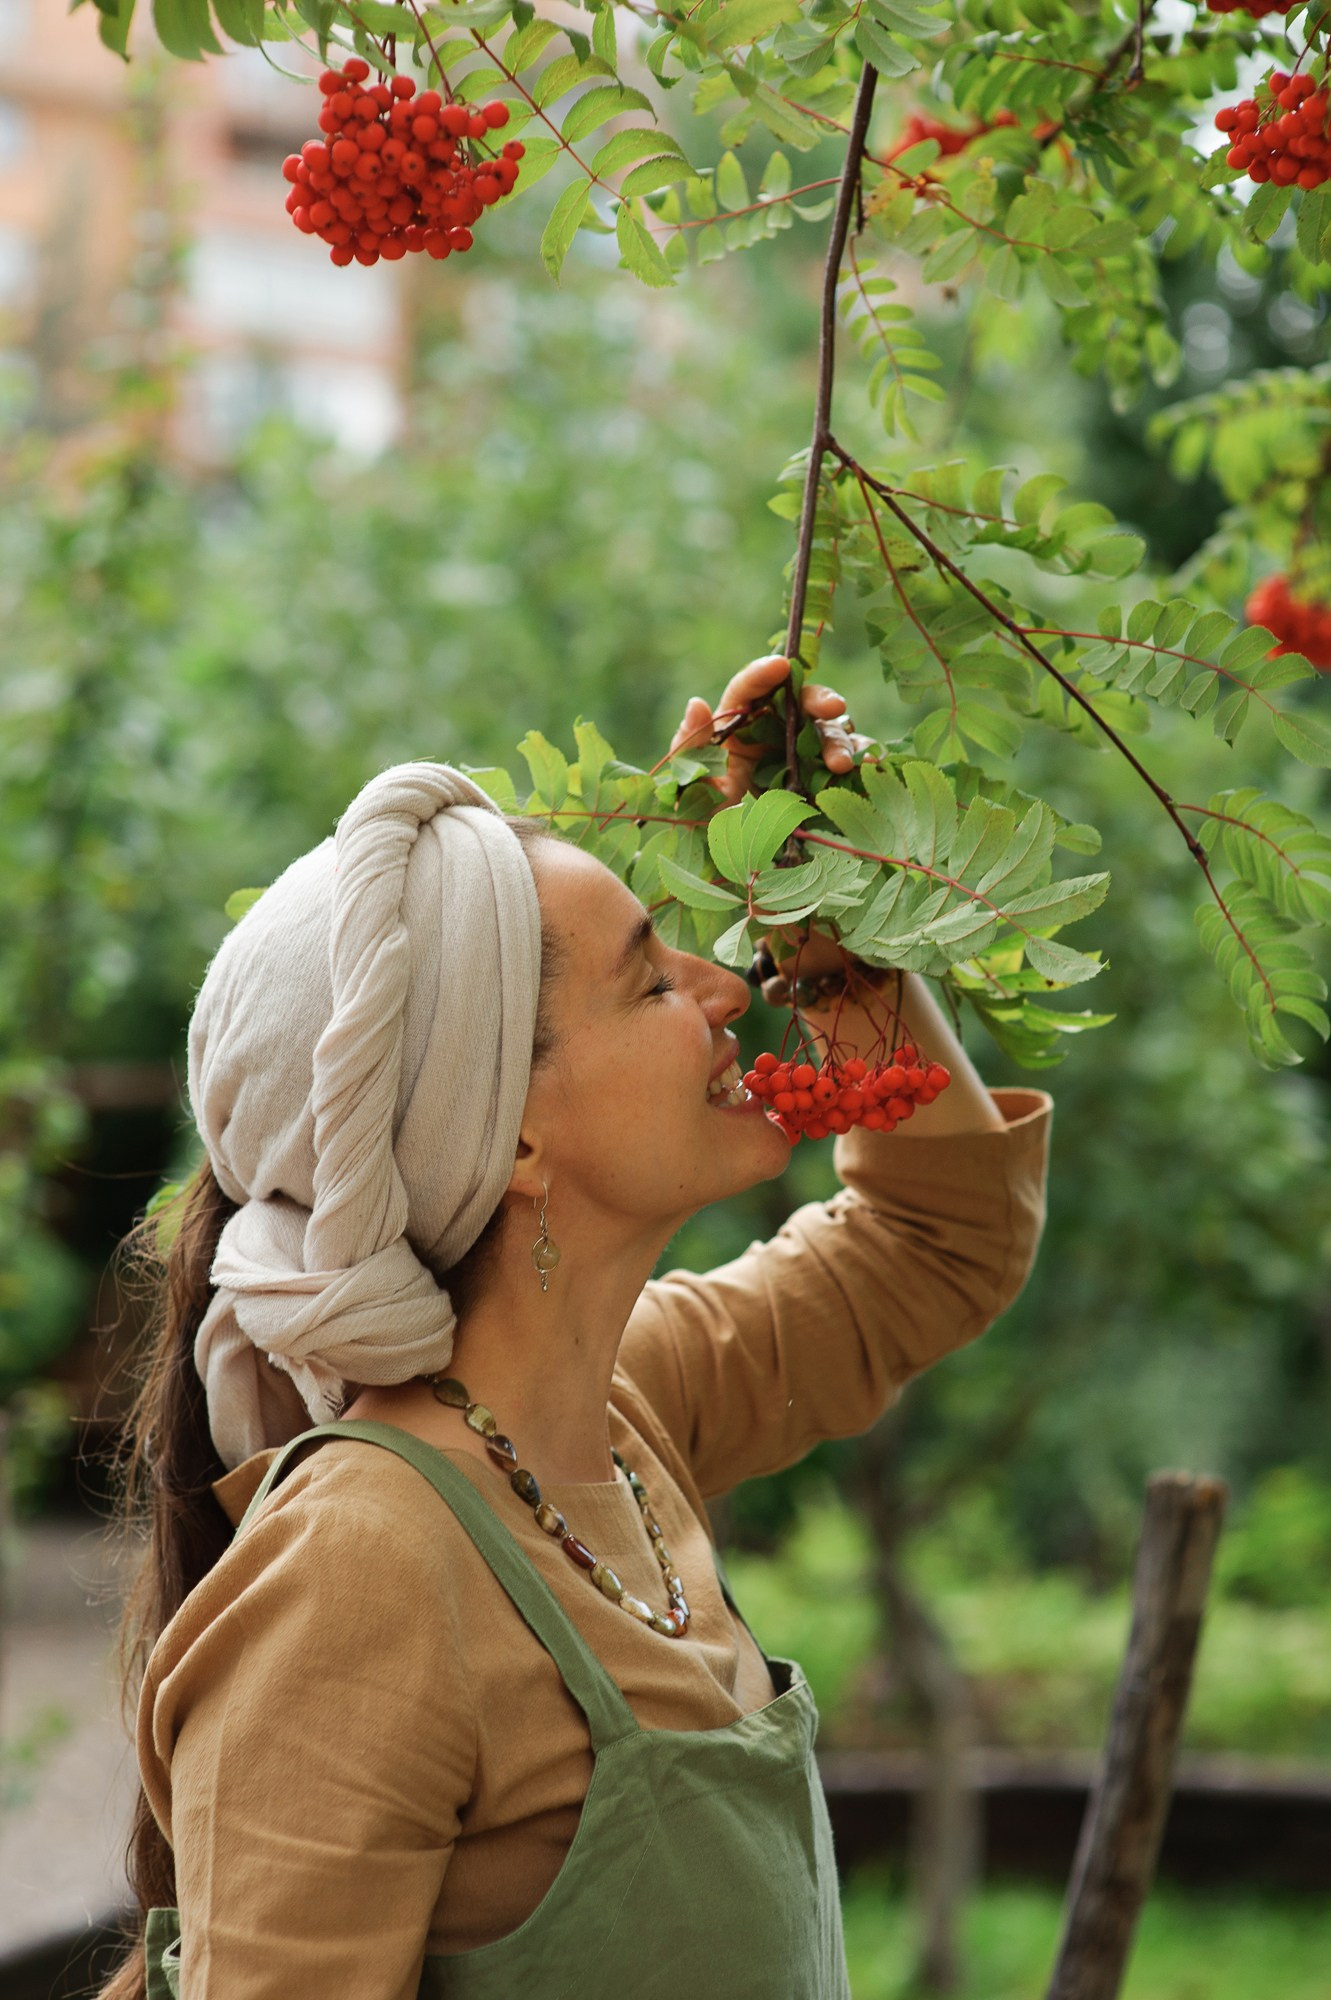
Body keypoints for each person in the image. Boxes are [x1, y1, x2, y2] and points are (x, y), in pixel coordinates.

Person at [104, 658, 1051, 2000]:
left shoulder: (612, 1412)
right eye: (650, 984)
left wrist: (834, 930)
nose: (726, 987)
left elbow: (937, 1242)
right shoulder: (361, 1574)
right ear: (518, 1134)